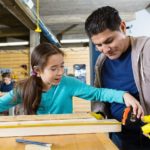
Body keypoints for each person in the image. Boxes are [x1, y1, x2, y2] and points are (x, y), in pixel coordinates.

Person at [0, 43, 143, 117]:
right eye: (54, 68)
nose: (60, 72)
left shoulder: (68, 83)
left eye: (62, 66)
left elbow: (97, 93)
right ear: (37, 70)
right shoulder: (23, 89)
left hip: (66, 133)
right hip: (35, 137)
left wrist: (123, 95)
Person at [85, 6, 150, 150]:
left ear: (122, 27)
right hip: (121, 137)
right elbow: (99, 94)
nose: (105, 49)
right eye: (99, 45)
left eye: (109, 41)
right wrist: (99, 113)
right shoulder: (101, 62)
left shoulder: (147, 49)